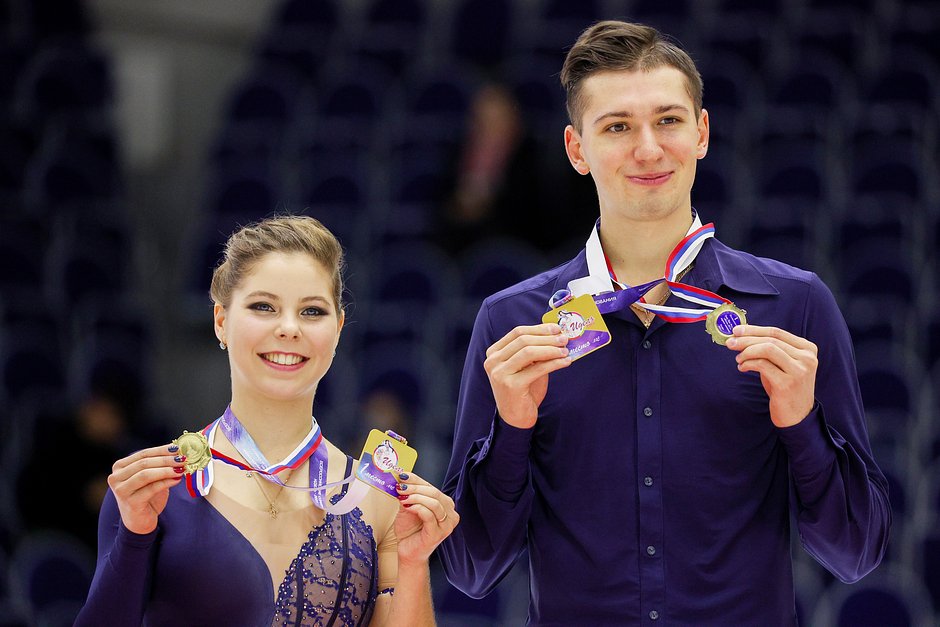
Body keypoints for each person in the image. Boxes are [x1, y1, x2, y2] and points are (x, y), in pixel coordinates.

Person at [439, 20, 890, 625]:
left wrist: (802, 426)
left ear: (702, 133)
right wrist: (512, 432)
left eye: (669, 120)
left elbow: (856, 552)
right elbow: (470, 569)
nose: (648, 149)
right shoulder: (514, 326)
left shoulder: (795, 308)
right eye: (618, 127)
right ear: (578, 149)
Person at [76, 215, 459, 626]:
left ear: (339, 328)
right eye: (263, 306)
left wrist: (415, 563)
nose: (289, 328)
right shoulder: (153, 489)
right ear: (221, 321)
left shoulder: (375, 498)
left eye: (312, 311)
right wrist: (134, 536)